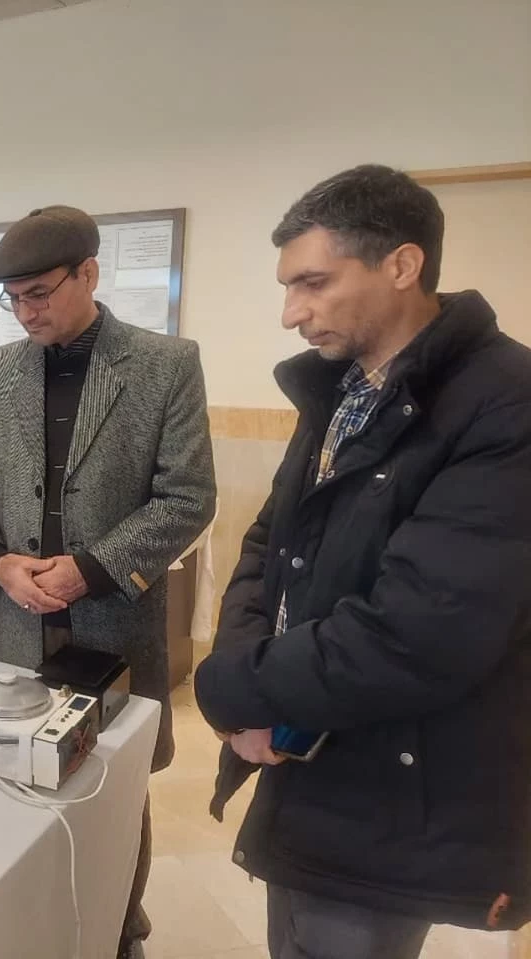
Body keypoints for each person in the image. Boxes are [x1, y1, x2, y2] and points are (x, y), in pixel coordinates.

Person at [194, 164, 531, 959]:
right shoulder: (346, 389)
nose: (291, 313)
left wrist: (234, 688)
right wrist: (247, 681)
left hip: (389, 793)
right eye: (288, 287)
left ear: (402, 264)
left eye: (313, 283)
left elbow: (418, 632)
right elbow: (269, 542)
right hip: (300, 750)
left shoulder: (505, 400)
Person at [0, 205, 216, 958]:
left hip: (113, 624)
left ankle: (122, 931)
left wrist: (91, 569)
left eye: (39, 293)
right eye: (14, 299)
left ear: (89, 273)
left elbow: (188, 497)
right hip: (15, 621)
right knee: (12, 784)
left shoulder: (165, 364)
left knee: (115, 793)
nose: (26, 312)